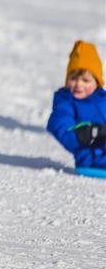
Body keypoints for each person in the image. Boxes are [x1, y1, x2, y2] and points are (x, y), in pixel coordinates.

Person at [46, 40, 106, 177]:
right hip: (91, 159)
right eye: (73, 78)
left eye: (85, 80)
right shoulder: (65, 102)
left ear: (97, 83)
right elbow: (59, 126)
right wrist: (87, 133)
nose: (79, 84)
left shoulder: (102, 99)